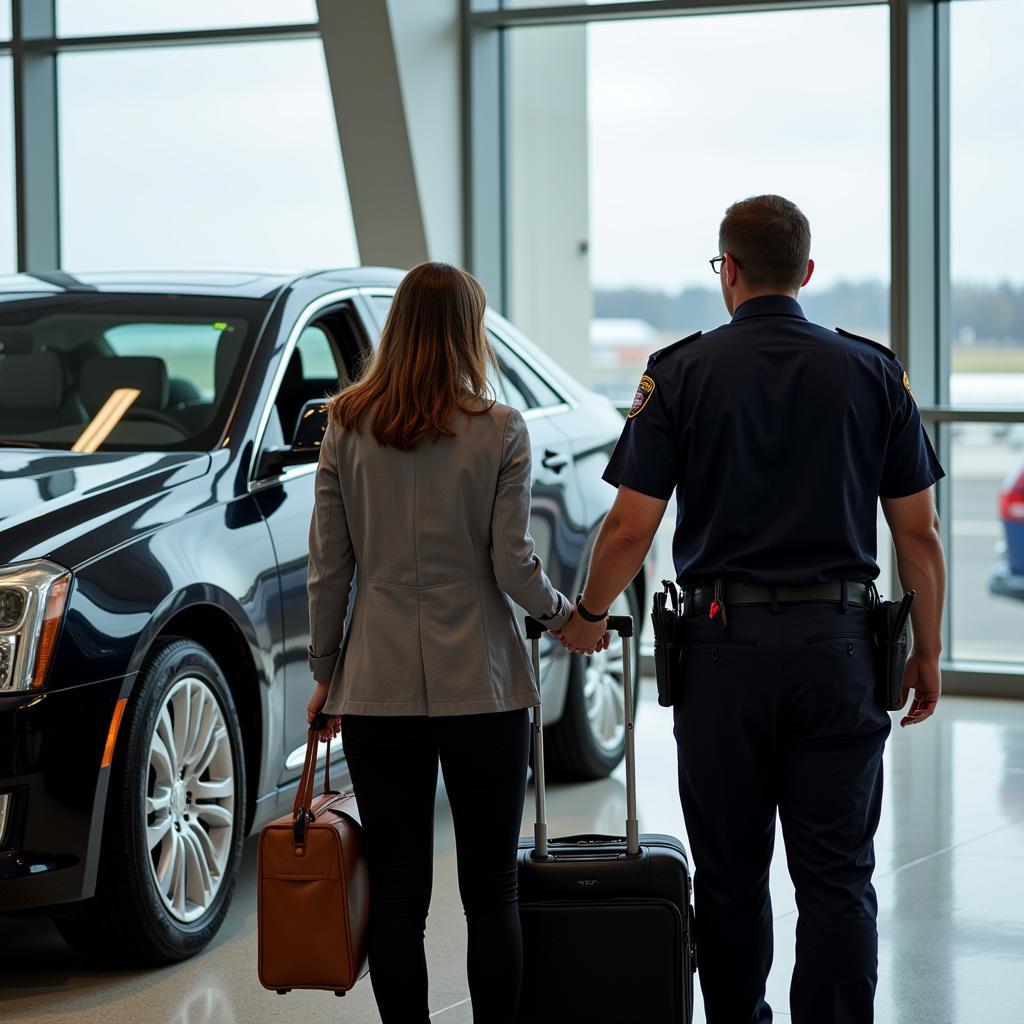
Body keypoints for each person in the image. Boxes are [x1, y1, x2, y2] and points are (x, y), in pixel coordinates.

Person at [556, 194, 947, 1024]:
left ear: (727, 272)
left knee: (731, 875)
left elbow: (631, 526)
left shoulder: (681, 371)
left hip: (720, 654)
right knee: (837, 876)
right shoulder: (874, 371)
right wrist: (928, 650)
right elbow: (920, 536)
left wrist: (587, 616)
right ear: (805, 273)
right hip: (840, 651)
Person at [304, 261, 573, 1024]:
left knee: (396, 893)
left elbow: (332, 570)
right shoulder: (500, 430)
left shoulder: (345, 425)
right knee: (492, 889)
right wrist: (564, 616)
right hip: (482, 683)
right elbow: (512, 564)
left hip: (376, 682)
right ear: (467, 332)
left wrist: (326, 673)